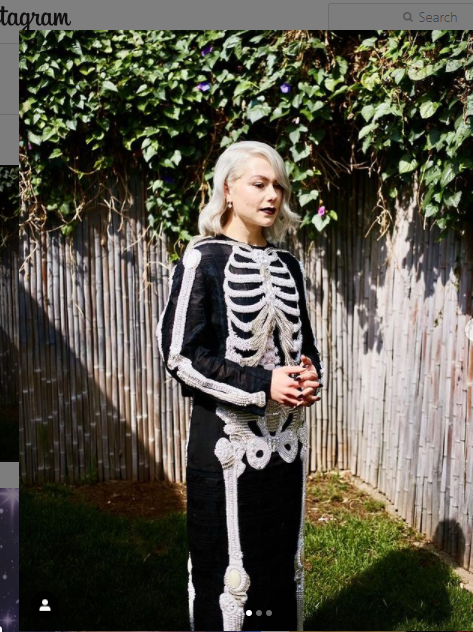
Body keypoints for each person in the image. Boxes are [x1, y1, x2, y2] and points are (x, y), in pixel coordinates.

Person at [157, 141, 323, 632]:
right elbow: (181, 354)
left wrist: (309, 374)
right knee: (226, 574)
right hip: (226, 447)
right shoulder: (202, 259)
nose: (272, 195)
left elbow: (304, 346)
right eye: (259, 183)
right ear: (228, 190)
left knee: (277, 568)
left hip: (285, 449)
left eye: (279, 186)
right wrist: (263, 382)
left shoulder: (289, 265)